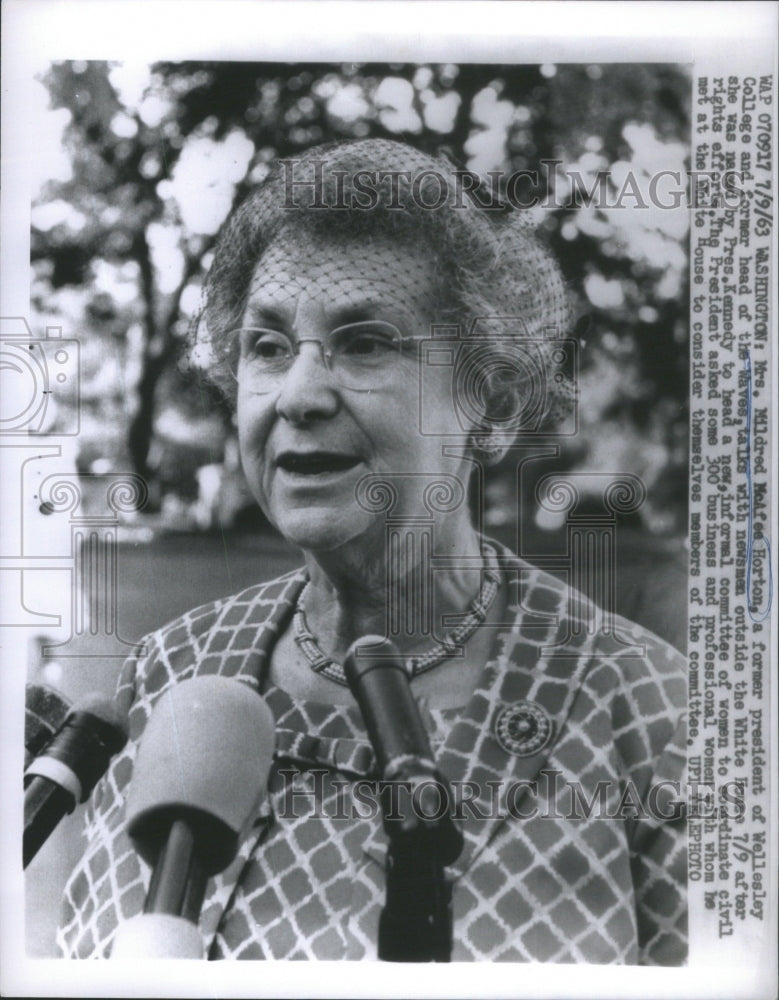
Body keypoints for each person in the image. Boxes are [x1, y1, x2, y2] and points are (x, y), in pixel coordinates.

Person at [57, 138, 686, 963]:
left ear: (487, 401)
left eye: (364, 343)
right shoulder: (165, 675)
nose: (298, 395)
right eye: (267, 347)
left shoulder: (651, 710)